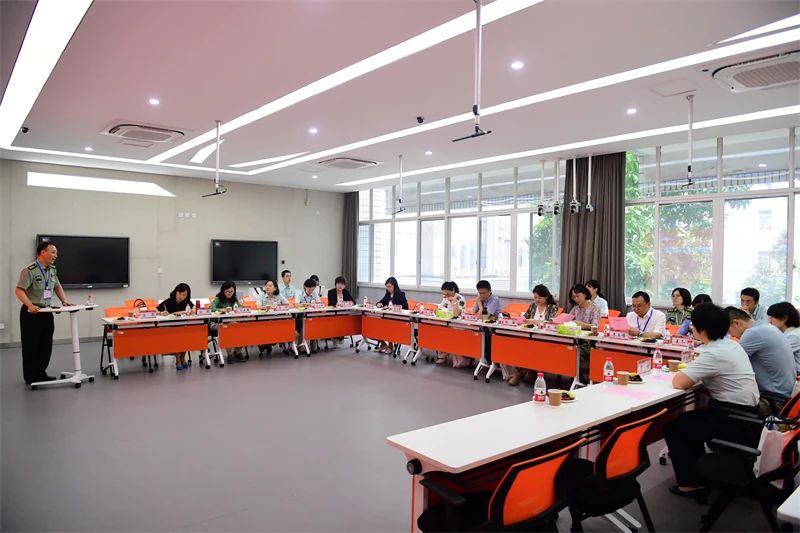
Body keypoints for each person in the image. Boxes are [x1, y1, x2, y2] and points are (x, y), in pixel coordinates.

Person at [665, 303, 760, 499]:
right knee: (687, 422)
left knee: (675, 428)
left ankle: (690, 483)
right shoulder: (731, 345)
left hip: (733, 418)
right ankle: (698, 473)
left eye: (693, 325)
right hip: (749, 415)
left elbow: (679, 383)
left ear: (702, 331)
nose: (692, 328)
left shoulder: (713, 353)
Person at [15, 241, 73, 385]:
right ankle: (30, 377)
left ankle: (41, 373)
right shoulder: (30, 270)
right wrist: (30, 305)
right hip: (32, 313)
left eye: (56, 253)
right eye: (53, 252)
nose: (56, 255)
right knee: (31, 345)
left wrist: (64, 301)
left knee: (45, 345)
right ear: (43, 252)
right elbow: (19, 290)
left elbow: (57, 286)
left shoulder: (52, 270)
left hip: (47, 312)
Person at [726, 306, 795, 400]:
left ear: (736, 323)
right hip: (786, 391)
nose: (731, 335)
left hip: (774, 397)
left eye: (729, 331)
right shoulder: (765, 326)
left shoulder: (753, 333)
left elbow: (730, 362)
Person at [504, 285, 559, 386]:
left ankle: (521, 373)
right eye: (535, 297)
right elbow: (525, 318)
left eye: (540, 298)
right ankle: (523, 372)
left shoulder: (552, 308)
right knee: (517, 346)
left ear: (546, 297)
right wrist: (521, 320)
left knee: (530, 348)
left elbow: (551, 322)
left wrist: (534, 321)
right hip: (529, 335)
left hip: (544, 338)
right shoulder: (533, 306)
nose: (537, 300)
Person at [156, 282, 195, 370]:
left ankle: (182, 358)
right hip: (170, 328)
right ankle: (178, 359)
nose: (181, 296)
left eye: (184, 295)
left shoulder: (187, 302)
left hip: (183, 326)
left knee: (186, 336)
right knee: (177, 337)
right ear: (175, 292)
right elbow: (155, 310)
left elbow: (194, 308)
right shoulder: (169, 301)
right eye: (179, 293)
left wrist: (193, 310)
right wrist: (161, 313)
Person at [211, 281, 246, 363]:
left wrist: (241, 307)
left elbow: (240, 308)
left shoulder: (234, 299)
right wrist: (223, 310)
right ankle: (230, 354)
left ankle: (238, 352)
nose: (229, 293)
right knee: (230, 327)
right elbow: (212, 308)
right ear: (223, 291)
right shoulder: (218, 299)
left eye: (231, 291)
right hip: (217, 323)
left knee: (242, 327)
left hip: (231, 322)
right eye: (227, 291)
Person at [434, 281, 466, 367]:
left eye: (447, 294)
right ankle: (442, 355)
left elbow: (456, 314)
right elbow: (441, 308)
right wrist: (437, 310)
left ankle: (459, 359)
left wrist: (454, 302)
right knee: (439, 332)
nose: (445, 296)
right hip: (446, 323)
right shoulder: (445, 298)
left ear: (453, 290)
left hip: (458, 325)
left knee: (451, 334)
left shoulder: (460, 298)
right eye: (444, 294)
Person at [375, 277, 409, 354]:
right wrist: (379, 304)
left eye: (390, 286)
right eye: (387, 287)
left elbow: (406, 307)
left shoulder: (401, 294)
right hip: (388, 317)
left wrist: (396, 307)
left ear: (394, 286)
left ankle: (390, 346)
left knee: (387, 325)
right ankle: (383, 344)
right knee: (377, 325)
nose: (388, 288)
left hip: (397, 319)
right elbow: (381, 302)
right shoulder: (387, 294)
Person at [767, 302, 800, 373]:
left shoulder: (793, 336)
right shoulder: (793, 332)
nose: (769, 321)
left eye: (771, 317)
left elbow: (774, 355)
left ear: (784, 318)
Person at [297, 278, 320, 352]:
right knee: (304, 323)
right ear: (304, 287)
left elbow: (319, 303)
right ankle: (301, 344)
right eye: (309, 289)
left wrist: (315, 305)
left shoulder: (314, 293)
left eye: (313, 289)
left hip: (311, 315)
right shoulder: (299, 293)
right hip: (300, 316)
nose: (311, 291)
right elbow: (296, 304)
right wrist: (306, 305)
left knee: (315, 322)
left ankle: (312, 342)